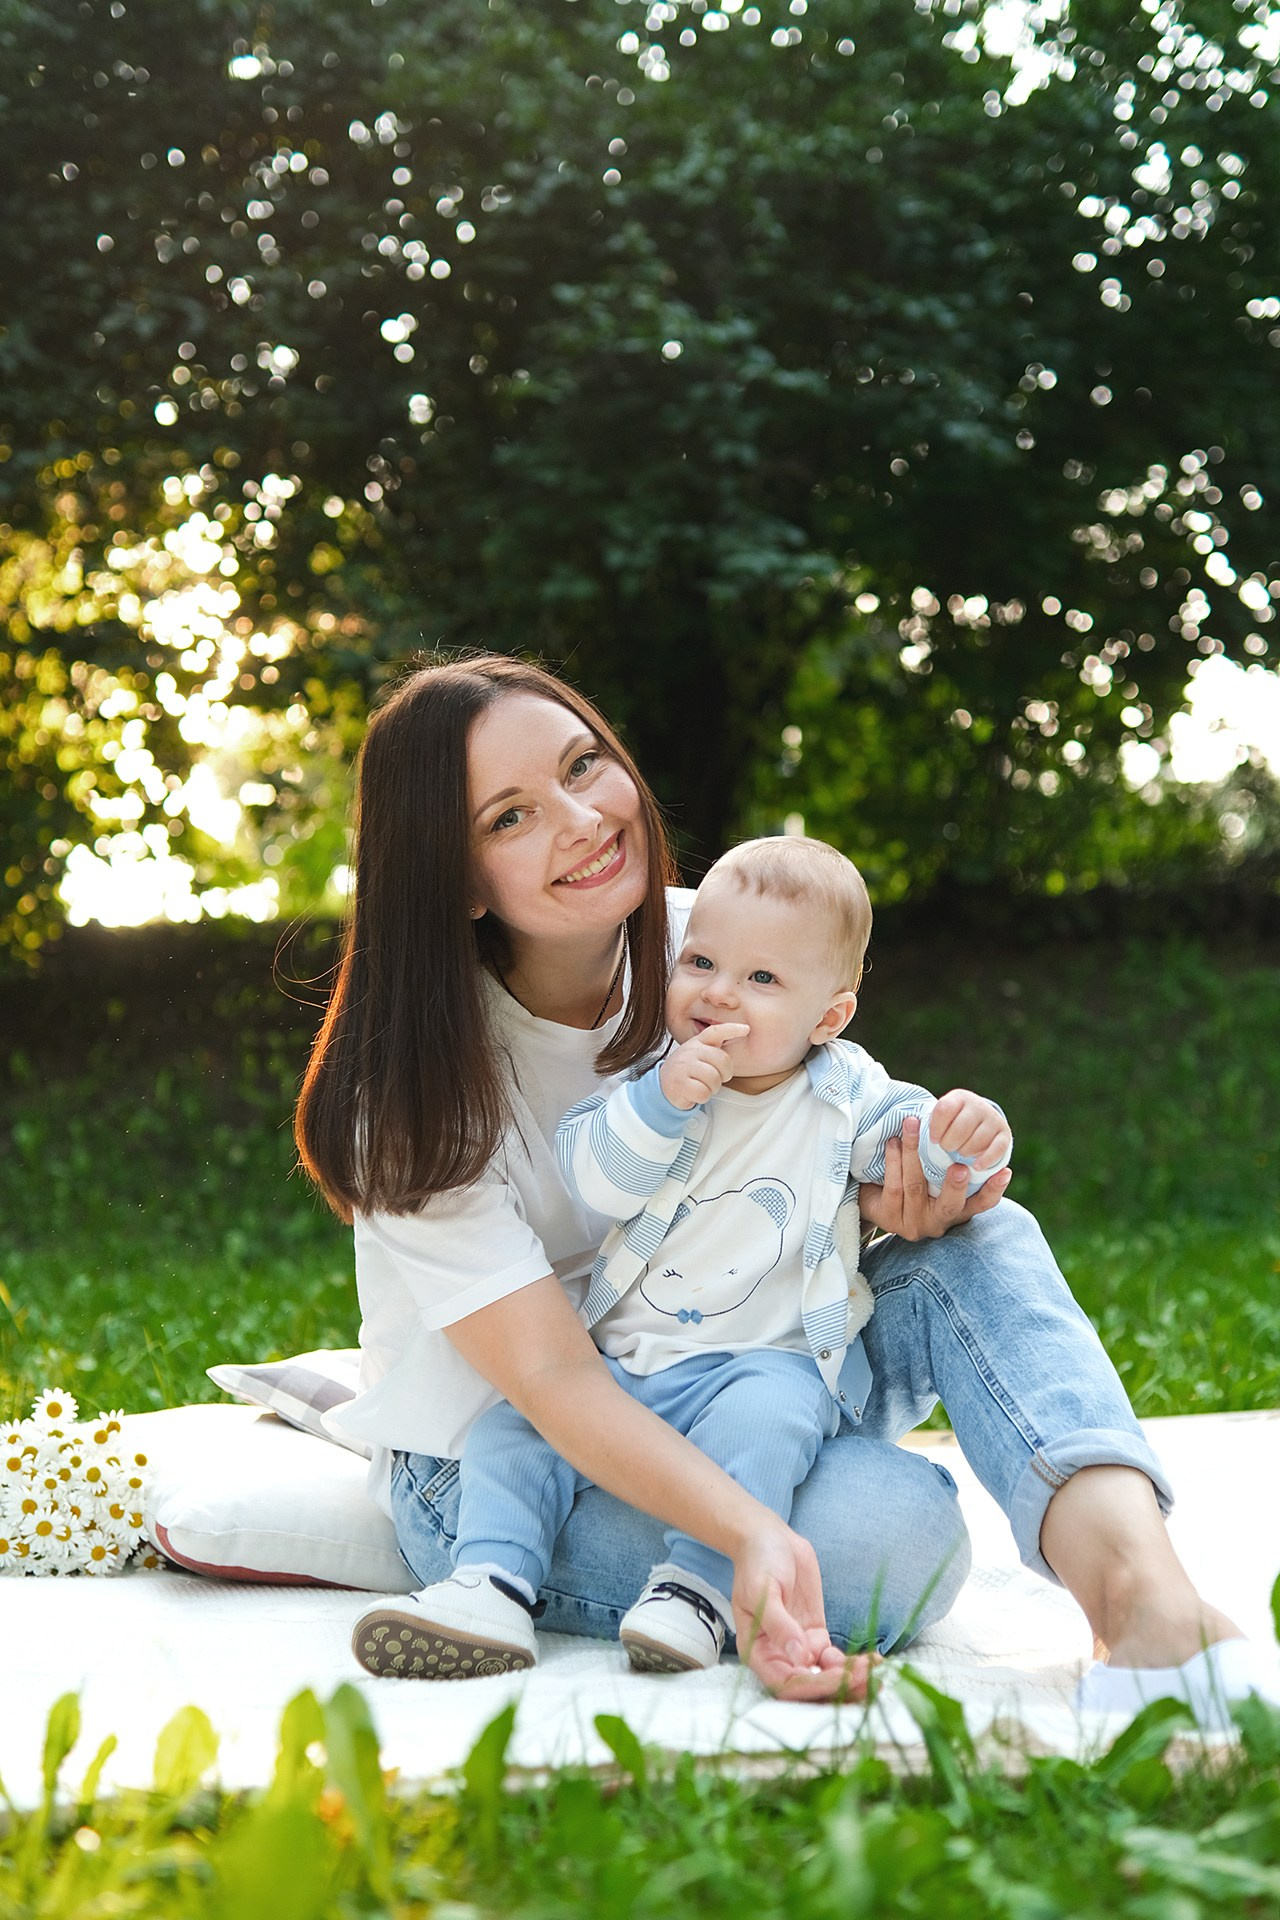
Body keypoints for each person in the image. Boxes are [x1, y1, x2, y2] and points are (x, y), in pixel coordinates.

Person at [298, 652, 1276, 1721]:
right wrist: (750, 1529)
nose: (582, 819)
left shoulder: (705, 938)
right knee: (895, 1538)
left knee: (979, 1244)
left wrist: (901, 1190)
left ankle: (1144, 1608)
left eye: (586, 765)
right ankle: (724, 1527)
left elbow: (828, 1124)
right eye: (509, 818)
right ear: (451, 878)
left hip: (740, 1358)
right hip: (513, 1457)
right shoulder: (405, 1093)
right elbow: (551, 1379)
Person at [373, 835, 1012, 1678]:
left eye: (761, 980)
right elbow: (596, 1180)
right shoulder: (649, 1082)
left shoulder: (842, 1091)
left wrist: (953, 1141)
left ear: (827, 1018)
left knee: (767, 1427)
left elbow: (907, 1149)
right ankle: (489, 1580)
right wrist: (665, 1100)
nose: (718, 994)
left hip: (757, 1364)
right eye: (701, 962)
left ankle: (696, 1592)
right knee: (513, 1431)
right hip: (622, 1367)